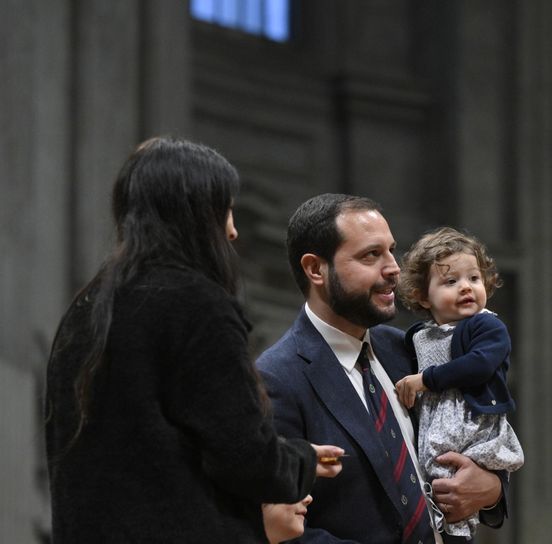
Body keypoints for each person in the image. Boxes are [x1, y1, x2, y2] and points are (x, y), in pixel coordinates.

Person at [44, 137, 342, 542]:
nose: (233, 231)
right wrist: (300, 461)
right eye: (225, 209)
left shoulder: (85, 309)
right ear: (195, 214)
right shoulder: (198, 305)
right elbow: (242, 455)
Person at [256, 194, 508, 543]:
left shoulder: (409, 348)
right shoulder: (275, 378)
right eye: (371, 255)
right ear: (316, 269)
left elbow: (471, 428)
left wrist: (491, 488)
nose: (394, 269)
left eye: (391, 251)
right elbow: (280, 529)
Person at [394, 227, 524, 539]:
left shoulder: (487, 326)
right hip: (435, 421)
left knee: (447, 478)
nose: (466, 287)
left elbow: (478, 366)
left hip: (469, 422)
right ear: (422, 295)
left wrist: (426, 379)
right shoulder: (417, 336)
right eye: (451, 281)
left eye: (474, 279)